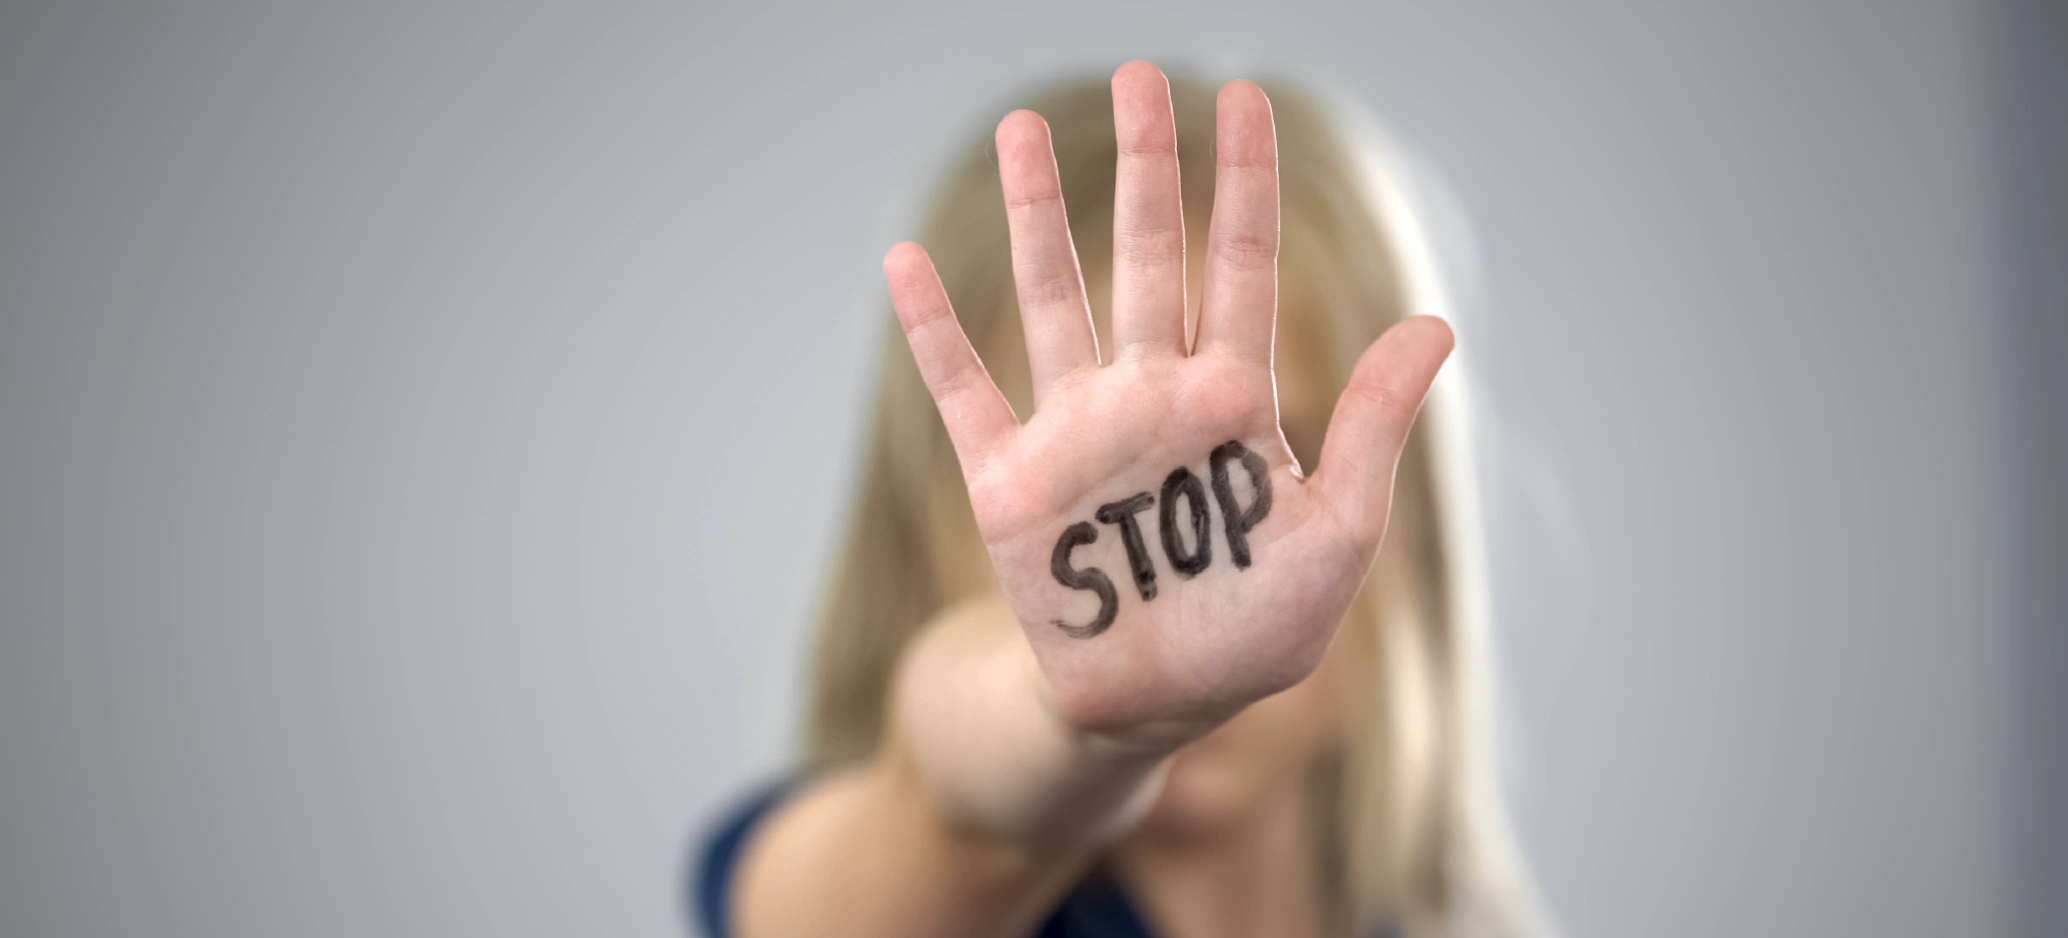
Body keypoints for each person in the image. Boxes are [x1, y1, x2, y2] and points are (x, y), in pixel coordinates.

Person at [693, 61, 1549, 938]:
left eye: (1258, 469)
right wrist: (1080, 729)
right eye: (1074, 482)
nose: (1192, 577)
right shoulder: (865, 877)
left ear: (1418, 537)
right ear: (919, 534)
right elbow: (938, 782)